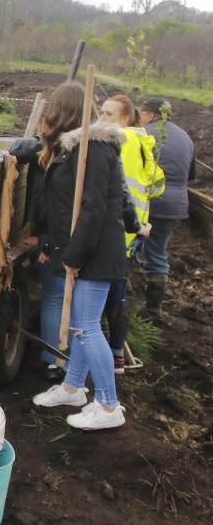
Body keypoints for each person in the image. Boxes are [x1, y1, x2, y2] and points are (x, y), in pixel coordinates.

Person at [31, 82, 128, 430]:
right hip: (90, 250)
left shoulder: (96, 148)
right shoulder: (77, 149)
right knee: (82, 326)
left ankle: (107, 405)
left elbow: (94, 208)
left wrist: (74, 255)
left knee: (87, 327)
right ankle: (73, 387)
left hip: (99, 251)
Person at [98, 95, 164, 374]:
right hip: (134, 231)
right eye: (101, 112)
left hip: (116, 230)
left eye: (109, 114)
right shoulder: (144, 143)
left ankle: (107, 357)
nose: (102, 119)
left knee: (107, 295)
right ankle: (116, 354)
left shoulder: (119, 142)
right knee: (119, 292)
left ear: (126, 118)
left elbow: (109, 187)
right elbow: (158, 185)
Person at [138, 98, 196, 317]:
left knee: (126, 248)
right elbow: (189, 176)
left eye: (142, 113)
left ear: (151, 115)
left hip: (146, 202)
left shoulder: (142, 134)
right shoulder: (186, 138)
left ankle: (121, 299)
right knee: (157, 252)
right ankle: (153, 309)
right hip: (174, 205)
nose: (140, 118)